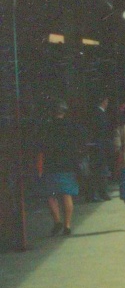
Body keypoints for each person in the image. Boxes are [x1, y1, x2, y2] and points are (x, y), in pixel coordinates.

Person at [36, 100, 87, 236]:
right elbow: (79, 143)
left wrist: (40, 167)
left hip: (51, 165)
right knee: (66, 195)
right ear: (64, 112)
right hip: (67, 165)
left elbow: (41, 148)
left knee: (51, 196)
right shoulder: (71, 126)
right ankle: (67, 225)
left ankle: (57, 221)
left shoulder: (46, 127)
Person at [87, 95, 114, 201]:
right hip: (101, 146)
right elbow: (104, 131)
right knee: (101, 170)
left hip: (95, 146)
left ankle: (94, 194)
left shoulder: (93, 113)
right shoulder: (101, 115)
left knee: (96, 171)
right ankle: (102, 193)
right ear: (104, 101)